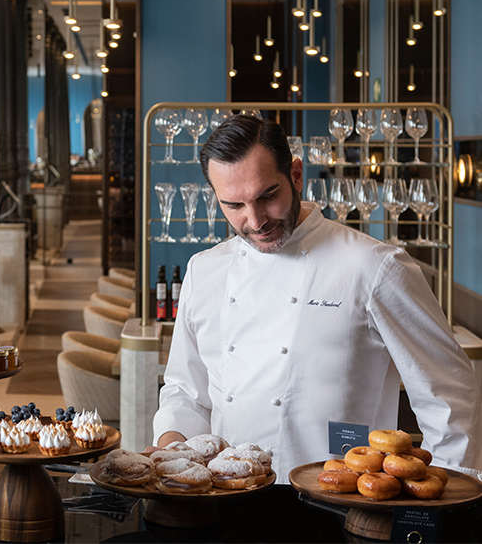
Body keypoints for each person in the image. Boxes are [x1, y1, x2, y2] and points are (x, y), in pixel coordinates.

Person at [152, 115, 482, 481]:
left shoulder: (373, 267)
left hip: (341, 503)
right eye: (234, 205)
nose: (256, 220)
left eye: (267, 196)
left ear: (296, 175)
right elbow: (185, 389)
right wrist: (171, 446)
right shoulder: (205, 269)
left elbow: (448, 398)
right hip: (226, 496)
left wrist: (448, 505)